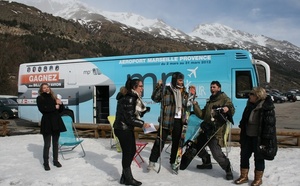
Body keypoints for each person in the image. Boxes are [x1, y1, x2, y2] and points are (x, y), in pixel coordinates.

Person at [147, 72, 194, 171]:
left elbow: (188, 104)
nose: (182, 82)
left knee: (176, 143)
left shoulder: (184, 91)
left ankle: (173, 162)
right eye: (180, 80)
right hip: (166, 120)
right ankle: (152, 161)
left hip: (179, 120)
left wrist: (193, 94)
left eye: (182, 80)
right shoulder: (166, 89)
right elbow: (155, 98)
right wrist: (158, 87)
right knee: (160, 141)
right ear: (174, 79)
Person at [192, 80, 235, 180]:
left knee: (217, 154)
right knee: (197, 147)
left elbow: (231, 108)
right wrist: (195, 105)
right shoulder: (210, 100)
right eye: (211, 87)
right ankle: (206, 162)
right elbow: (203, 115)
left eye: (214, 87)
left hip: (216, 131)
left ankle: (228, 169)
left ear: (219, 88)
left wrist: (227, 108)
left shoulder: (224, 98)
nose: (212, 89)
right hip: (206, 129)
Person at [234, 87, 277, 186]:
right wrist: (242, 125)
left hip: (259, 137)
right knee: (244, 156)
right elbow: (244, 118)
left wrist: (265, 141)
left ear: (257, 96)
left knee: (259, 158)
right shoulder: (249, 105)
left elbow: (269, 126)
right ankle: (244, 176)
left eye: (251, 94)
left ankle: (258, 179)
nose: (249, 96)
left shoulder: (267, 108)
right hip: (248, 135)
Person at [113, 78, 150, 186]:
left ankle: (124, 177)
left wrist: (144, 111)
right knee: (128, 153)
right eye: (140, 86)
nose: (142, 89)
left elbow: (132, 113)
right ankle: (128, 178)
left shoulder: (132, 97)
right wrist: (143, 124)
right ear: (134, 87)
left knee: (131, 151)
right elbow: (130, 118)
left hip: (126, 128)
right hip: (122, 128)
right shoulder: (129, 98)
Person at [36, 83, 66, 171]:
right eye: (44, 88)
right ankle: (46, 163)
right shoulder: (40, 98)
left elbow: (60, 110)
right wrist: (54, 107)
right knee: (47, 144)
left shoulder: (54, 97)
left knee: (55, 143)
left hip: (56, 122)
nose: (46, 89)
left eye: (47, 87)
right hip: (47, 123)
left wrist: (60, 104)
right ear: (41, 90)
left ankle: (55, 161)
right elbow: (43, 109)